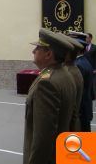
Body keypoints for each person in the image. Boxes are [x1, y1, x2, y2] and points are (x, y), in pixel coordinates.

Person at [23, 28, 76, 164]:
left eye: (38, 48)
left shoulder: (47, 84)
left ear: (48, 54)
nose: (33, 51)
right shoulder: (64, 74)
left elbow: (43, 138)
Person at [57, 32, 83, 131]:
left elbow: (70, 110)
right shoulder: (70, 69)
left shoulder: (71, 73)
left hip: (68, 129)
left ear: (67, 55)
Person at [76, 39, 94, 131]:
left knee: (82, 141)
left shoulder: (78, 65)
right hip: (85, 107)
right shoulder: (84, 61)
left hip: (81, 110)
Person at [85, 32, 96, 99]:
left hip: (93, 69)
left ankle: (93, 97)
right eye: (85, 37)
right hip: (84, 69)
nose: (86, 39)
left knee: (93, 84)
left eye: (87, 37)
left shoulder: (94, 47)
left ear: (91, 38)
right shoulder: (82, 47)